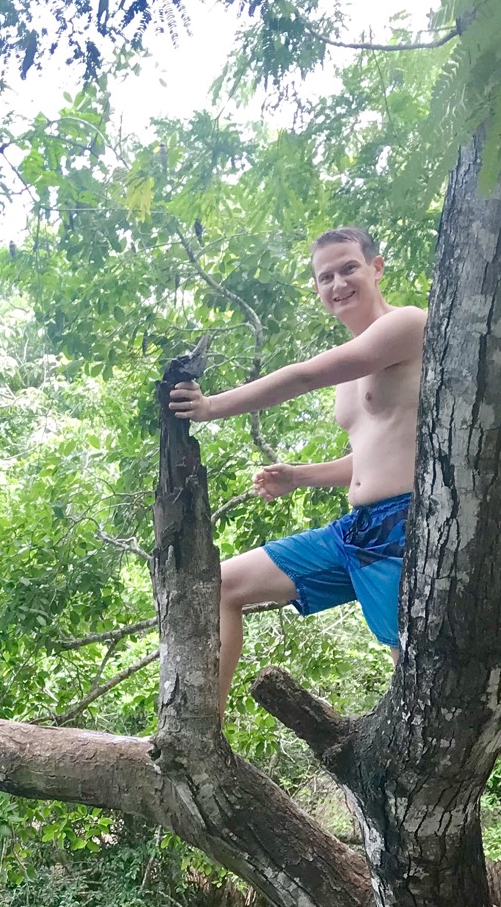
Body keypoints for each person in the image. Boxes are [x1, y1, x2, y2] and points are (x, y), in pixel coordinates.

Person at [167, 226, 427, 702]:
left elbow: (304, 375)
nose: (338, 284)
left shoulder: (406, 325)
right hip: (355, 530)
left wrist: (210, 408)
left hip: (405, 526)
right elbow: (370, 455)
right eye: (325, 276)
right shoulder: (351, 376)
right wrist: (299, 476)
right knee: (223, 584)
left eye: (349, 268)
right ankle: (204, 734)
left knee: (412, 667)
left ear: (376, 267)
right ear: (317, 289)